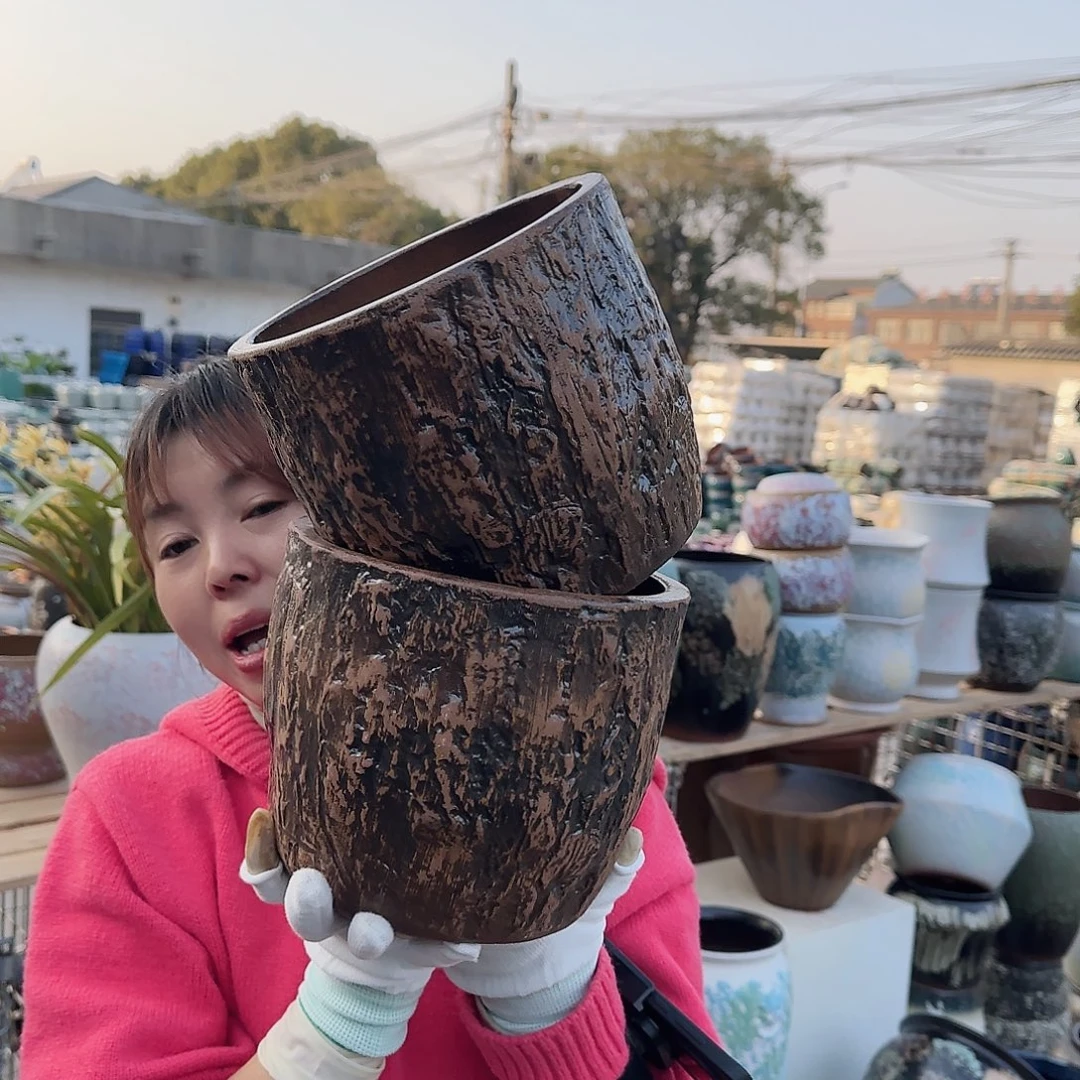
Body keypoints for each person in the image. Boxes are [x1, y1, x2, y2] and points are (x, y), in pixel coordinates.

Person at [19, 358, 716, 1079]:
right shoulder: (131, 820)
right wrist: (338, 1023)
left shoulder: (593, 783)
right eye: (175, 545)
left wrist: (545, 991)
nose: (219, 566)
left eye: (262, 506)